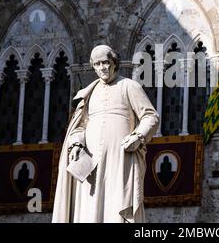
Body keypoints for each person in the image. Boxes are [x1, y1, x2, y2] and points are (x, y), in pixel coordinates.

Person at [52, 45, 159, 223]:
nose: (102, 67)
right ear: (93, 67)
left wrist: (138, 136)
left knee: (117, 203)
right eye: (98, 64)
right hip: (90, 163)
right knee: (88, 206)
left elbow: (150, 116)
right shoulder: (89, 94)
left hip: (120, 159)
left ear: (114, 63)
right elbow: (79, 126)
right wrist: (76, 143)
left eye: (106, 62)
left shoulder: (129, 86)